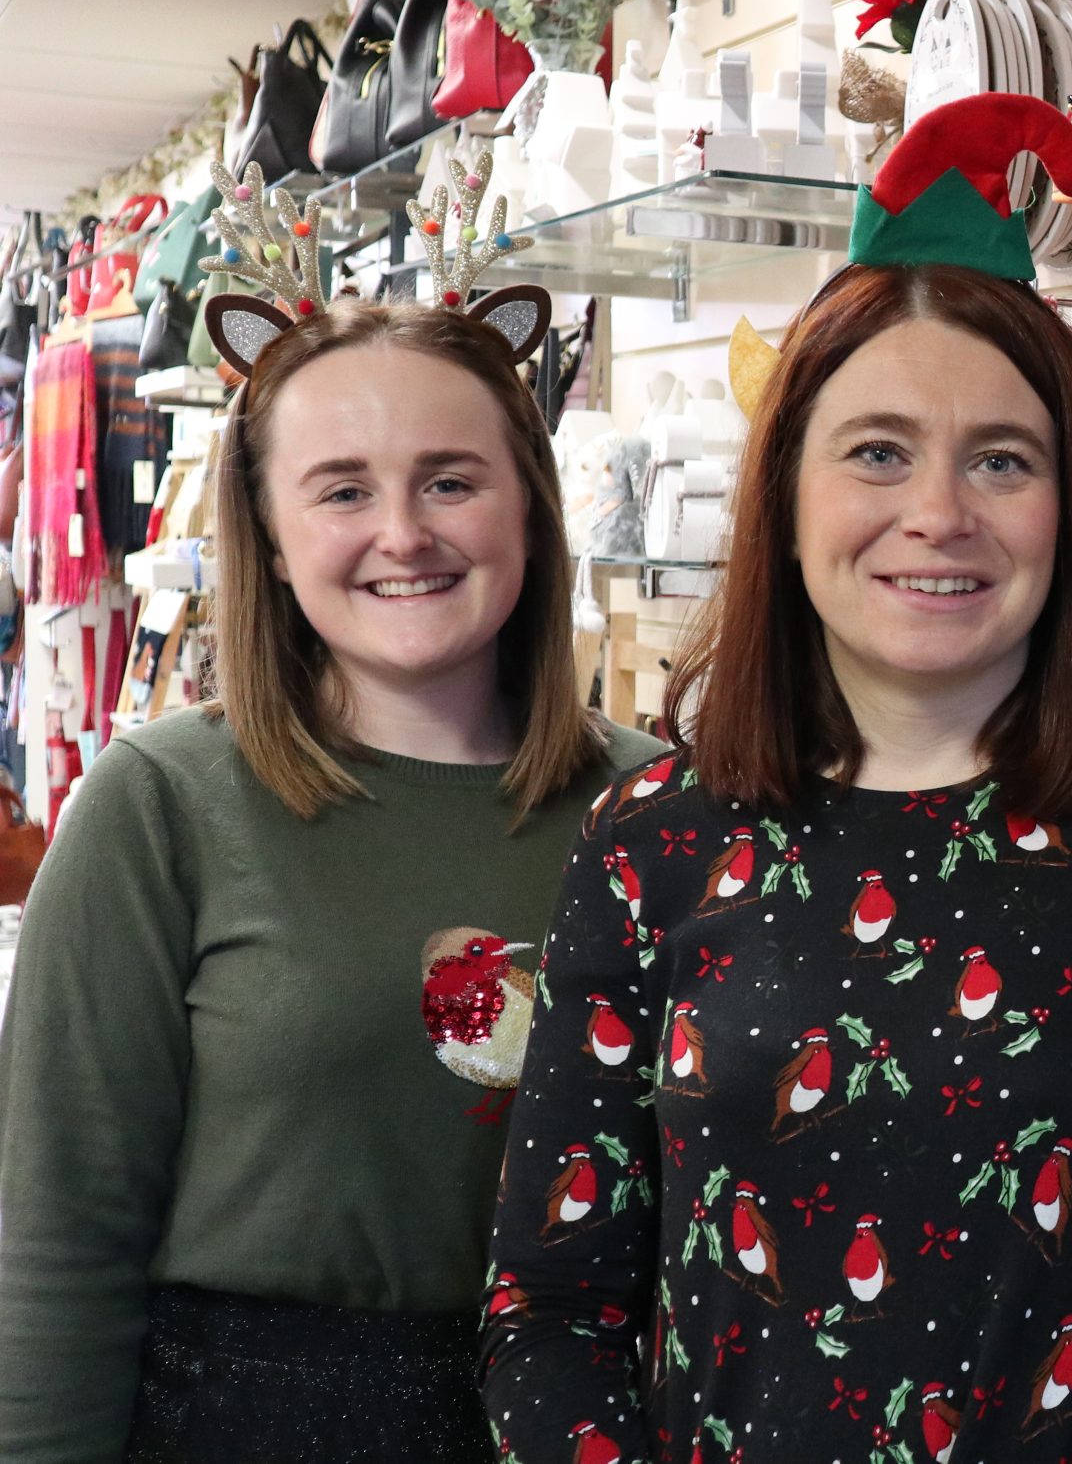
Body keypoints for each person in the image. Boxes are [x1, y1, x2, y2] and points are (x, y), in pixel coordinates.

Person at [482, 96, 1072, 1463]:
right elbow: (549, 1312)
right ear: (790, 490)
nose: (939, 512)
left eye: (1002, 459)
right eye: (878, 451)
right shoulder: (651, 845)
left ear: (1071, 510)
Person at [0, 160, 666, 1464]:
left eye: (452, 480)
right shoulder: (161, 807)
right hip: (248, 1419)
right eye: (344, 488)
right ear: (269, 524)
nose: (403, 532)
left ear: (530, 500)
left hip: (592, 1416)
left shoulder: (662, 809)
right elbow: (56, 1243)